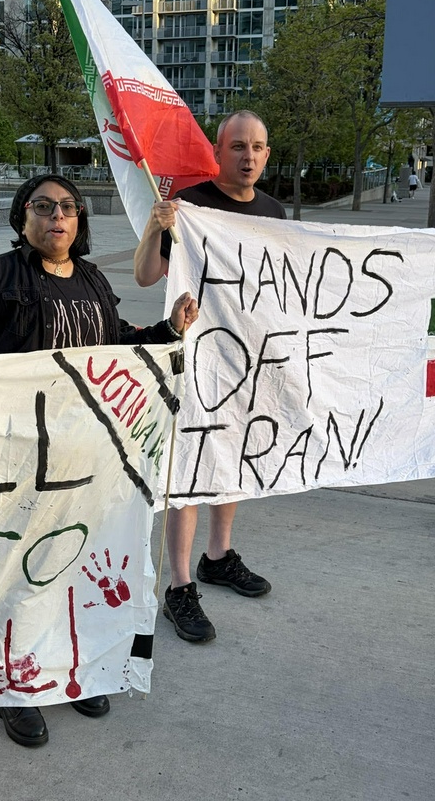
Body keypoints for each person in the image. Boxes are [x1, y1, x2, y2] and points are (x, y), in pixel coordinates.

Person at [0, 172, 199, 747]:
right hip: (17, 457)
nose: (57, 217)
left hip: (84, 455)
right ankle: (11, 684)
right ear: (22, 217)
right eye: (43, 207)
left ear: (79, 222)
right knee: (16, 571)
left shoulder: (91, 279)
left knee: (73, 565)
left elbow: (117, 341)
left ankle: (70, 671)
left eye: (69, 208)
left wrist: (167, 329)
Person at [132, 109, 283, 645]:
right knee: (189, 465)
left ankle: (219, 556)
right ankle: (179, 585)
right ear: (218, 152)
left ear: (267, 154)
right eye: (237, 146)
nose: (248, 156)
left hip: (248, 357)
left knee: (233, 459)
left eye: (258, 147)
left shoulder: (272, 211)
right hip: (193, 355)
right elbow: (147, 274)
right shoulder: (190, 206)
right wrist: (157, 225)